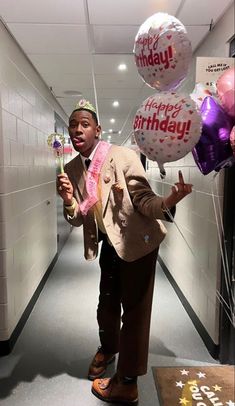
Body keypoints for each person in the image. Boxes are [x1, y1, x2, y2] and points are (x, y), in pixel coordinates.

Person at [57, 100, 192, 405]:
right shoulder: (71, 168)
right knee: (107, 301)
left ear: (97, 130)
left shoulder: (122, 156)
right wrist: (68, 199)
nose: (78, 129)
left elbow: (145, 201)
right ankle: (108, 348)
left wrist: (169, 200)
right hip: (109, 244)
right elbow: (78, 218)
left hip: (138, 243)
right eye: (73, 124)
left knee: (135, 312)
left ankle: (127, 382)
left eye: (85, 124)